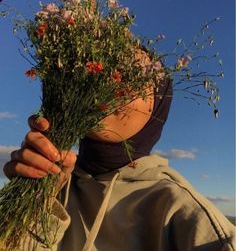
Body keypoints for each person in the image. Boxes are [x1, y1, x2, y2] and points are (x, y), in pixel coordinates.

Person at [3, 66, 235, 251]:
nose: (113, 80)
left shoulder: (181, 210)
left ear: (157, 109)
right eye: (105, 68)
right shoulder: (54, 187)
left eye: (136, 75)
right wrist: (34, 202)